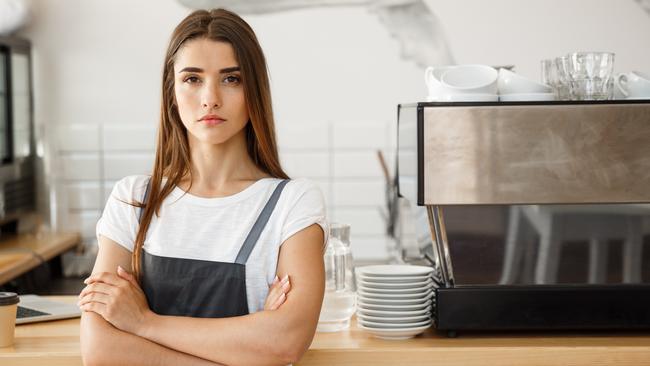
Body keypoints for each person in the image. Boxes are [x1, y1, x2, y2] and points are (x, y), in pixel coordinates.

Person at [78, 8, 327, 366]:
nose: (210, 98)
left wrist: (143, 322)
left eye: (231, 79)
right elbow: (101, 350)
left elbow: (285, 340)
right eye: (193, 79)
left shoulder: (293, 203)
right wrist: (248, 342)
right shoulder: (134, 199)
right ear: (172, 92)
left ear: (254, 90)